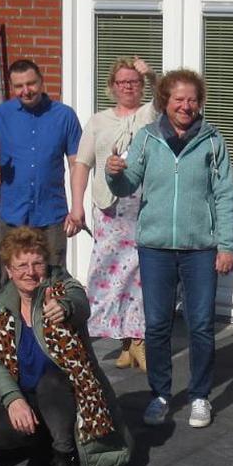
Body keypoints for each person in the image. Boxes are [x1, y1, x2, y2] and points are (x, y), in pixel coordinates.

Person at [105, 67, 233, 430]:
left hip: (200, 249)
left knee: (200, 326)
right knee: (158, 326)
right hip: (156, 248)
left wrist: (226, 245)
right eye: (178, 99)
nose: (186, 105)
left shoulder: (212, 141)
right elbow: (127, 183)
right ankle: (160, 395)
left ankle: (199, 397)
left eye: (192, 99)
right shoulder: (147, 139)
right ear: (165, 100)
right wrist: (114, 172)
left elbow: (226, 195)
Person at [0, 227, 132, 466]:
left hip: (69, 393)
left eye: (37, 263)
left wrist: (65, 307)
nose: (30, 272)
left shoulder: (60, 286)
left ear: (47, 263)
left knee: (51, 384)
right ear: (9, 269)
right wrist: (13, 399)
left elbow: (79, 301)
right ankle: (43, 444)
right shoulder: (1, 307)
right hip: (29, 392)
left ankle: (66, 459)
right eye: (21, 265)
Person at [70, 57, 156, 368]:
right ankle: (124, 342)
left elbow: (165, 98)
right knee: (109, 272)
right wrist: (77, 205)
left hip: (145, 207)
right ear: (112, 86)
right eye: (122, 82)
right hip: (109, 207)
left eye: (134, 81)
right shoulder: (98, 120)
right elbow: (82, 163)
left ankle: (139, 339)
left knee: (141, 274)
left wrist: (153, 75)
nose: (128, 87)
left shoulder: (151, 114)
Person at [0, 57, 82, 271]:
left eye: (31, 83)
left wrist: (78, 207)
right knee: (12, 280)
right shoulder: (0, 115)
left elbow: (76, 165)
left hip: (51, 214)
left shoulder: (64, 116)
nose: (26, 90)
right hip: (13, 215)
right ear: (12, 87)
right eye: (19, 86)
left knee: (53, 278)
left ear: (42, 81)